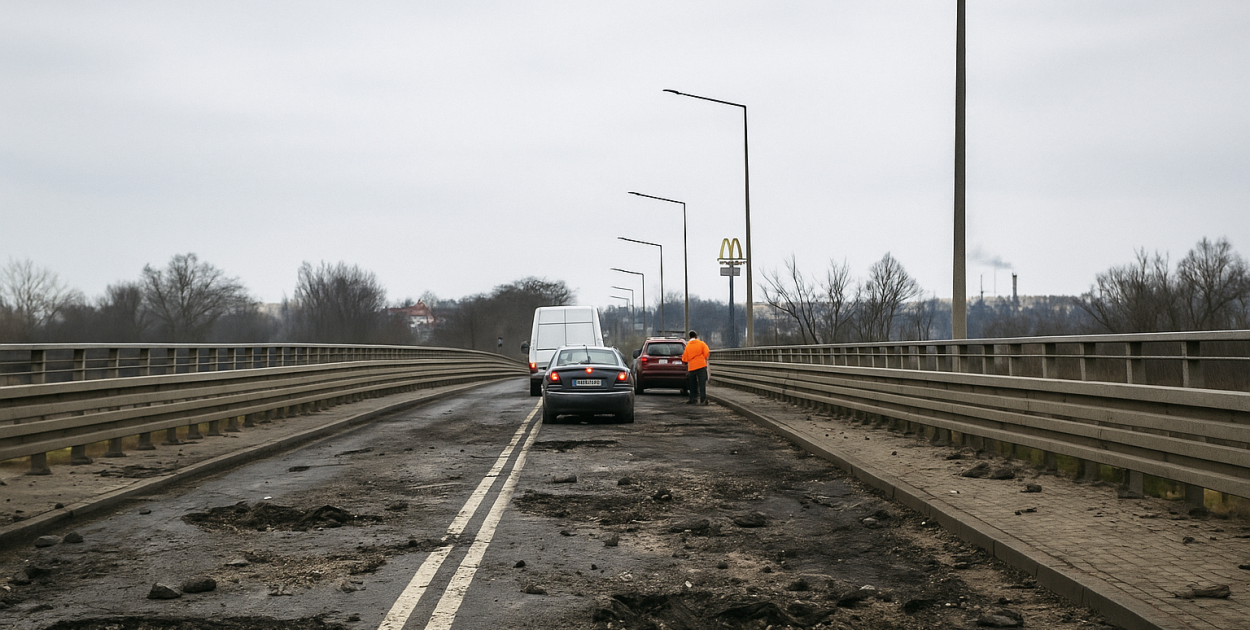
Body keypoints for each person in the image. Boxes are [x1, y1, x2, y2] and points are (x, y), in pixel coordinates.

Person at [681, 330, 710, 405]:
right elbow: (707, 352)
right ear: (696, 336)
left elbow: (684, 358)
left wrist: (690, 360)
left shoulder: (688, 346)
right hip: (701, 365)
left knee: (693, 385)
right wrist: (701, 358)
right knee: (702, 384)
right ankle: (703, 400)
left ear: (689, 337)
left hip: (692, 367)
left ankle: (693, 399)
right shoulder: (701, 343)